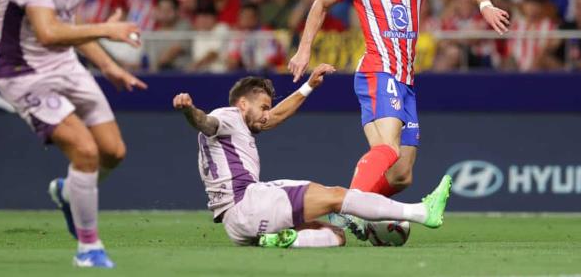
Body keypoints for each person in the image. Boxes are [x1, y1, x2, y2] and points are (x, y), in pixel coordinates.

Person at [288, 0, 509, 237]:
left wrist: (485, 5)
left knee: (402, 173)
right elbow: (320, 4)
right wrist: (304, 49)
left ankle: (352, 211)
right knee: (388, 150)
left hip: (406, 81)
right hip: (377, 72)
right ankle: (340, 213)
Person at [0, 0, 147, 268]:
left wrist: (109, 67)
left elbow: (69, 28)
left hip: (64, 64)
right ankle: (88, 249)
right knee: (85, 151)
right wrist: (109, 29)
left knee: (113, 152)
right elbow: (47, 32)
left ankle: (67, 192)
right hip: (22, 72)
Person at [173, 63, 452, 248]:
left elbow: (277, 116)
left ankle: (286, 240)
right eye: (263, 106)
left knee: (335, 236)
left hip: (236, 227)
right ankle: (421, 211)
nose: (267, 113)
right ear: (243, 103)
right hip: (248, 200)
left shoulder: (240, 125)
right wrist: (189, 110)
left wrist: (308, 86)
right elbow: (205, 123)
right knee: (336, 197)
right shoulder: (228, 115)